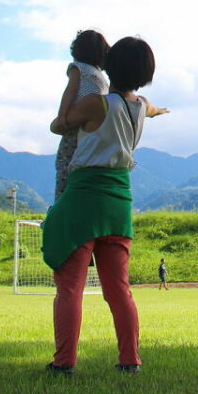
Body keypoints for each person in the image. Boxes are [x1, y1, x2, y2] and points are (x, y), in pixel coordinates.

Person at [42, 35, 169, 375]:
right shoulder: (142, 105)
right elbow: (153, 109)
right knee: (119, 289)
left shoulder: (96, 104)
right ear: (146, 73)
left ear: (108, 66)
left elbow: (59, 123)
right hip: (119, 201)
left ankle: (64, 362)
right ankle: (130, 360)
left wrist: (74, 80)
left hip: (84, 198)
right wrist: (158, 110)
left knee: (70, 286)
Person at [50, 29, 110, 200]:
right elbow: (71, 91)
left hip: (81, 127)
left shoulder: (85, 70)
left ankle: (61, 203)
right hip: (86, 129)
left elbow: (70, 91)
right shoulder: (91, 73)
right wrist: (62, 117)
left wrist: (63, 117)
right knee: (72, 165)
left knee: (66, 166)